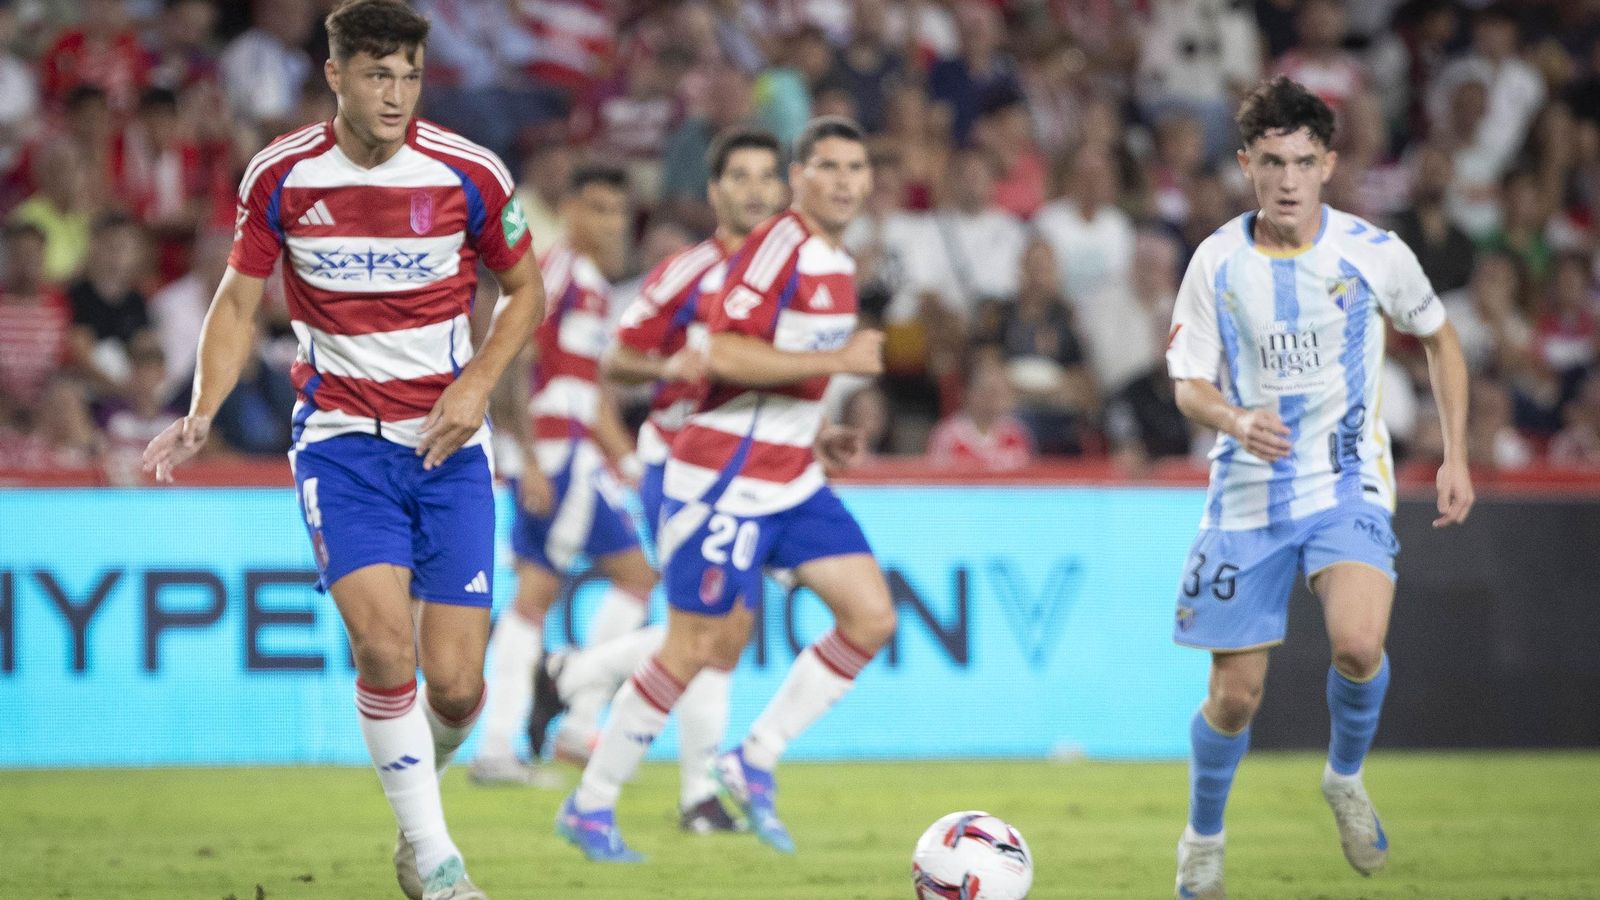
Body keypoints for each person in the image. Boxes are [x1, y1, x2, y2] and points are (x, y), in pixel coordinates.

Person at [141, 3, 543, 898]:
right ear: (335, 76)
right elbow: (237, 300)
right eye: (377, 75)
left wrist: (477, 384)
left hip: (447, 447)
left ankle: (415, 816)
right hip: (341, 444)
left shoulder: (470, 171)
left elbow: (526, 291)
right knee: (385, 651)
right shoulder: (281, 174)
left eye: (409, 76)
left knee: (456, 687)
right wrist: (203, 409)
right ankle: (437, 861)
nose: (396, 95)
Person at [1163, 76, 1473, 899]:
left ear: (1329, 164)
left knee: (1359, 645)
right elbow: (1188, 383)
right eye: (1272, 162)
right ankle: (1203, 836)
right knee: (1235, 698)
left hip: (1346, 483)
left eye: (1304, 162)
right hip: (1246, 494)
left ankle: (1344, 778)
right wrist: (1233, 419)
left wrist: (1456, 455)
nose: (1289, 180)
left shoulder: (1373, 252)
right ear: (1246, 165)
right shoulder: (1216, 261)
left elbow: (1441, 341)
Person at [556, 116, 890, 862]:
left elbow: (778, 374)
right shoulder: (770, 250)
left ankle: (750, 759)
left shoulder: (835, 260)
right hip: (721, 479)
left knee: (869, 617)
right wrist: (838, 359)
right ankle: (593, 802)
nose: (844, 182)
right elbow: (725, 355)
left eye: (856, 168)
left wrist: (814, 431)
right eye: (828, 167)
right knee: (696, 644)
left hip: (789, 474)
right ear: (800, 179)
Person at [531, 126, 789, 835]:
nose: (754, 190)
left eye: (766, 177)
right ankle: (695, 793)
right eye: (739, 177)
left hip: (750, 471)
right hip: (681, 465)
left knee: (722, 631)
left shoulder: (792, 278)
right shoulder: (686, 274)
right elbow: (617, 362)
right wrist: (669, 367)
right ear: (715, 191)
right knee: (710, 626)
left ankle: (572, 677)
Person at [470, 164, 656, 782]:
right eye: (598, 209)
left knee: (627, 579)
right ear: (570, 211)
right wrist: (524, 457)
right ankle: (518, 737)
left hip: (574, 455)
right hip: (554, 456)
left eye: (619, 211)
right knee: (541, 595)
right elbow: (509, 360)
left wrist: (626, 462)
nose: (613, 223)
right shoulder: (557, 273)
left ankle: (568, 726)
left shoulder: (591, 283)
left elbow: (588, 390)